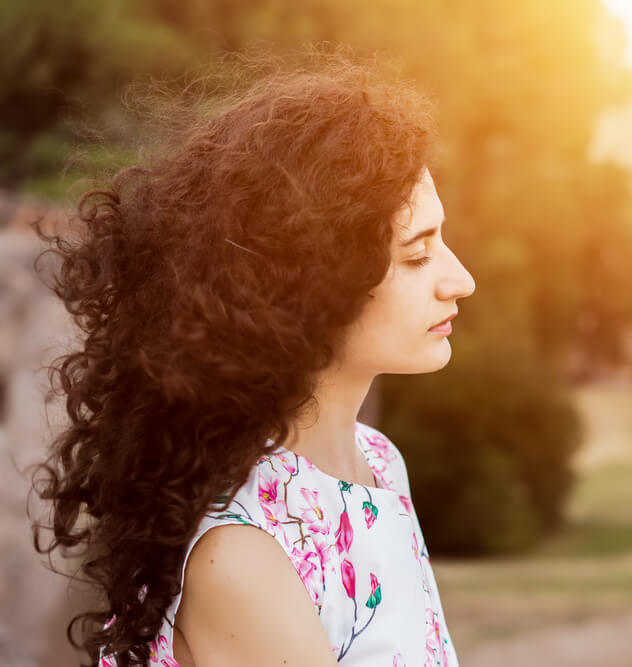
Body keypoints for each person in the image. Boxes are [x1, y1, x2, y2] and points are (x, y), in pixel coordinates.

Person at [30, 54, 475, 667]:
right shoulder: (243, 555)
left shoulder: (377, 462)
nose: (462, 280)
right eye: (418, 254)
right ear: (311, 278)